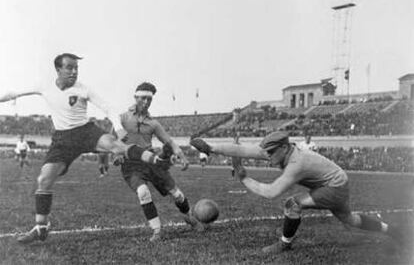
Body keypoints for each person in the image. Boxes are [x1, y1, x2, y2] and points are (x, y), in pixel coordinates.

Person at [0, 53, 171, 244]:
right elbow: (14, 93)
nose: (74, 72)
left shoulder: (83, 89)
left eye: (76, 68)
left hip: (85, 131)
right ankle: (41, 227)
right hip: (62, 139)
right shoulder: (44, 86)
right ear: (58, 69)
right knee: (44, 179)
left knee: (116, 146)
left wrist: (119, 127)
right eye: (69, 68)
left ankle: (158, 161)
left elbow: (108, 108)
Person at [190, 132, 403, 254]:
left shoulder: (296, 163)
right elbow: (244, 150)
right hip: (336, 180)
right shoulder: (282, 150)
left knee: (292, 204)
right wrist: (210, 147)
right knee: (350, 220)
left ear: (283, 147)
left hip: (334, 186)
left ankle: (285, 243)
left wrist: (244, 178)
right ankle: (390, 230)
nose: (268, 157)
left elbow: (272, 192)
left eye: (272, 153)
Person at [115, 82, 204, 242]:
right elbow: (112, 141)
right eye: (143, 98)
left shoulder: (154, 123)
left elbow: (169, 142)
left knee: (177, 195)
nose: (146, 102)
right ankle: (157, 230)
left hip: (151, 162)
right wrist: (116, 153)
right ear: (135, 97)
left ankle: (189, 217)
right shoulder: (122, 118)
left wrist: (182, 156)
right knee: (143, 192)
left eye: (149, 99)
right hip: (131, 165)